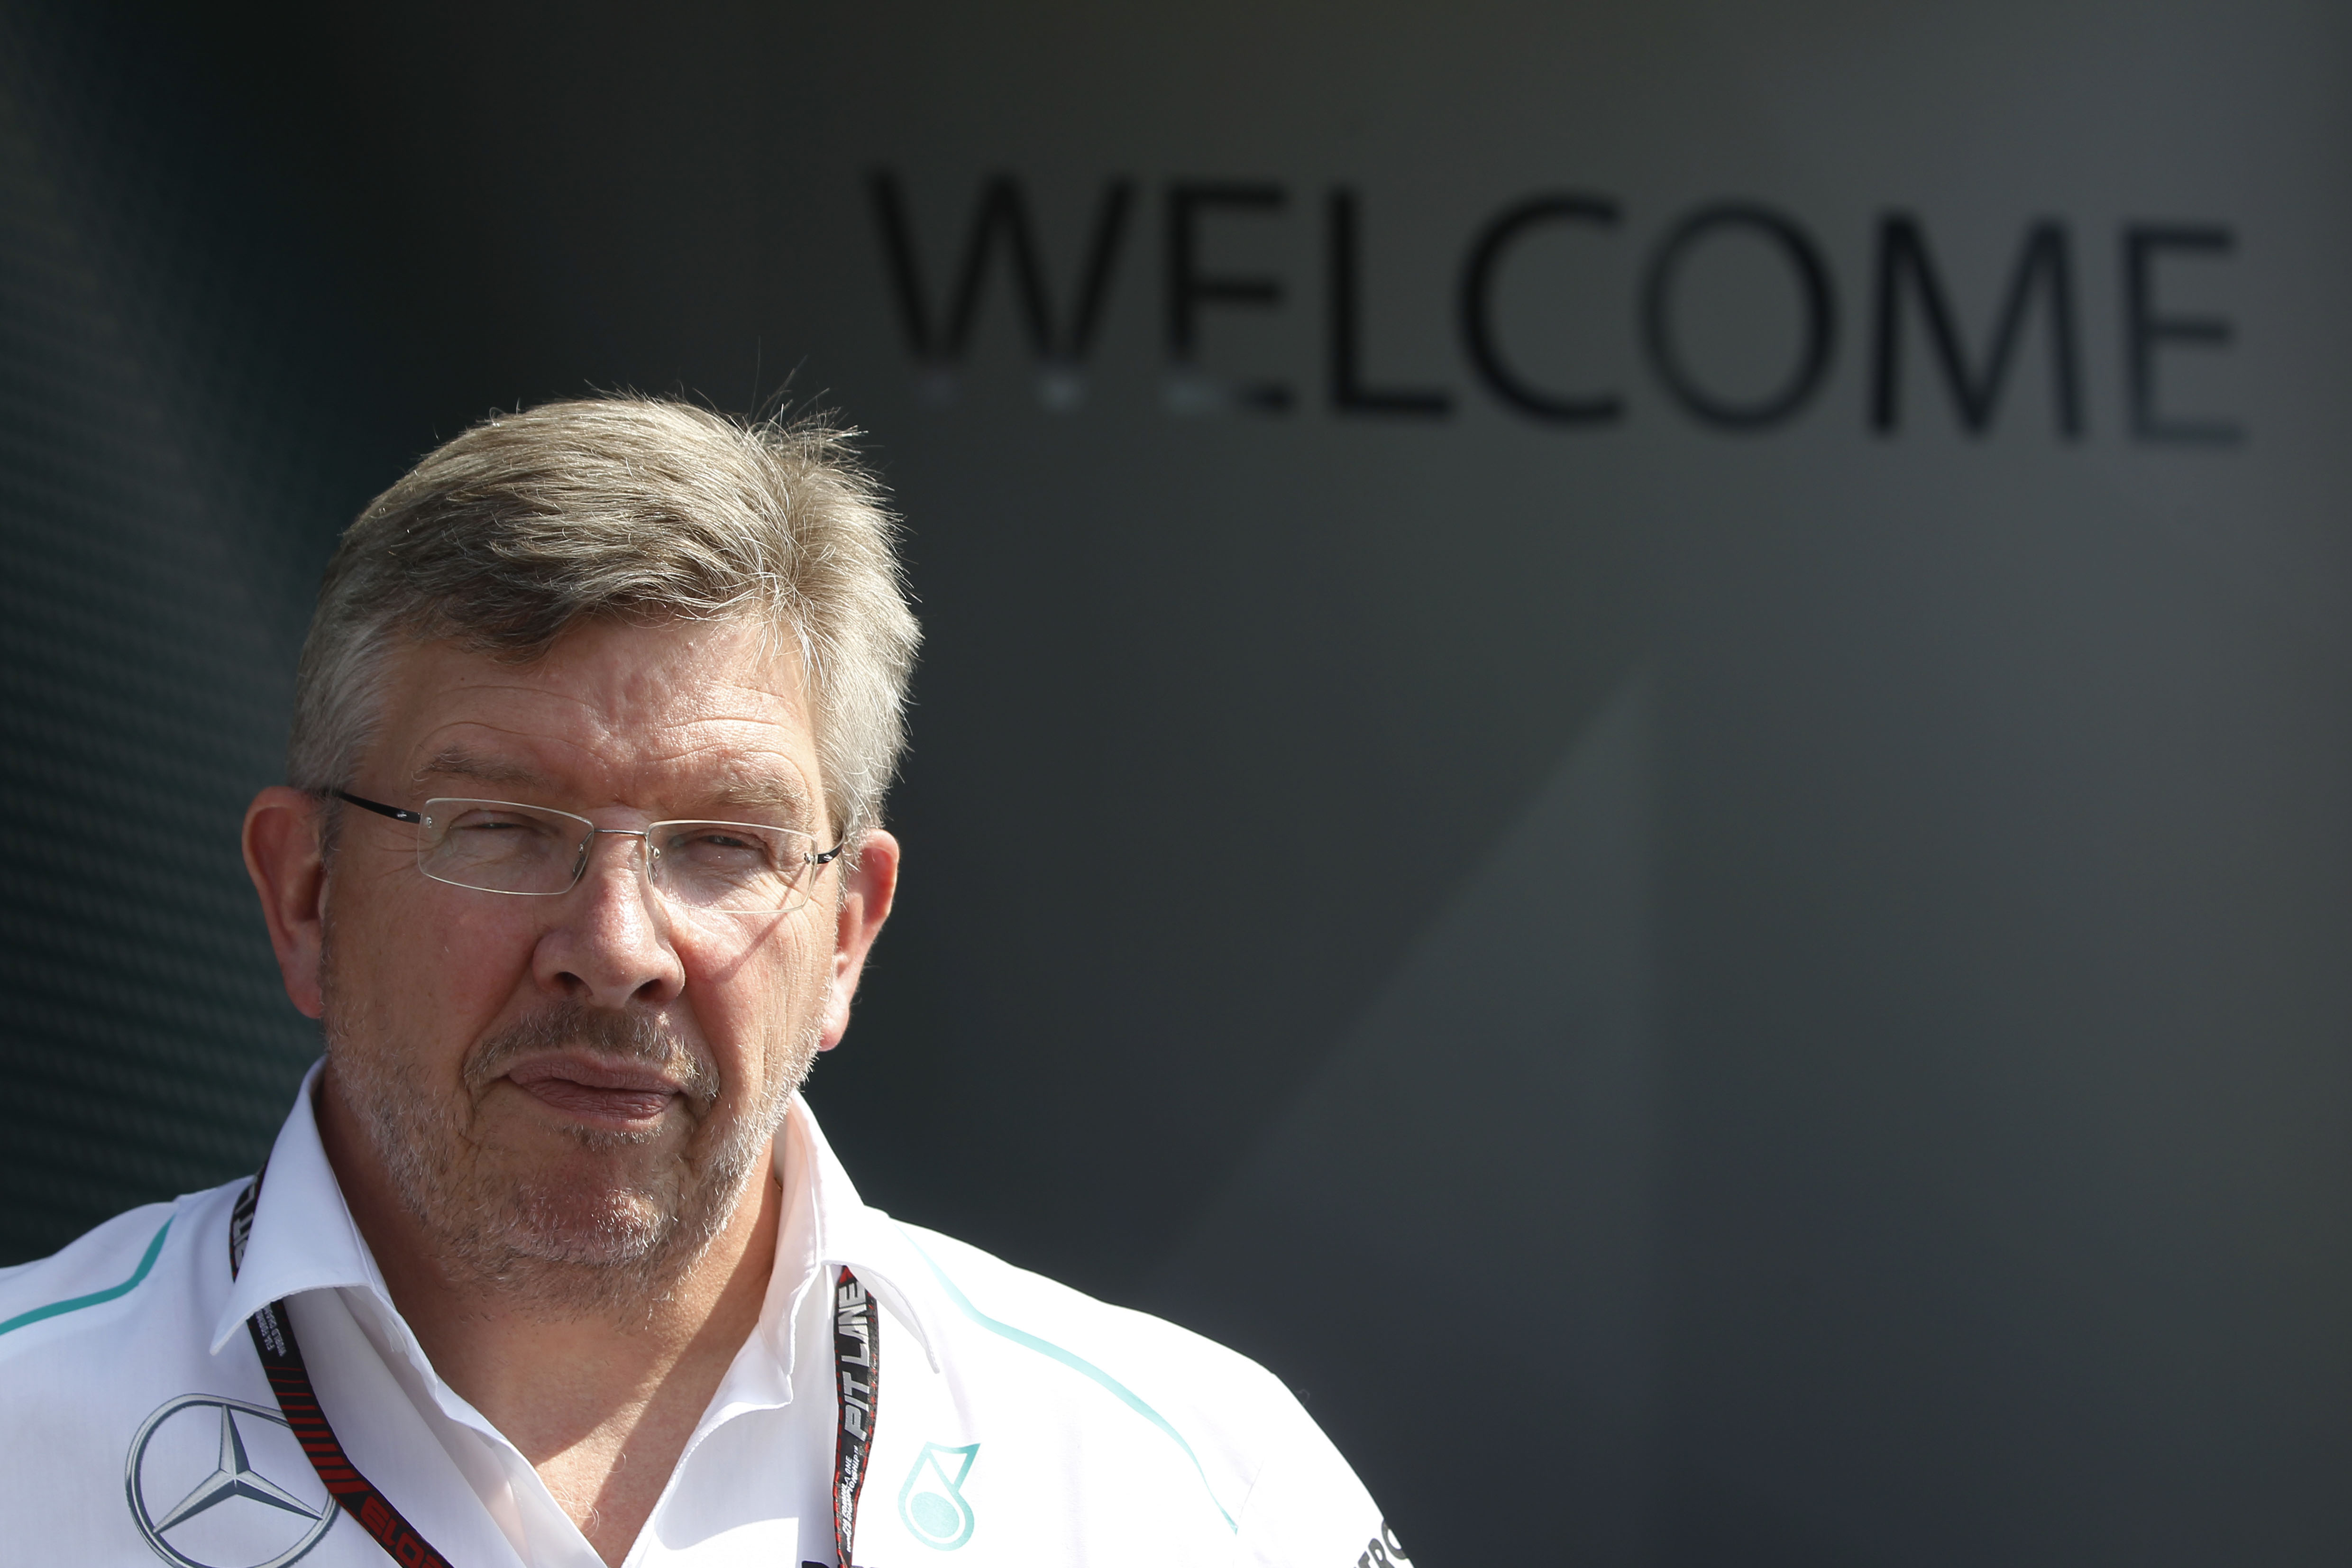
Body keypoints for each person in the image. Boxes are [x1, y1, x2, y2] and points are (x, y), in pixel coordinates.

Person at [0, 397, 1405, 1568]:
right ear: (307, 894)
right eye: (500, 825)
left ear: (845, 934)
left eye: (725, 844)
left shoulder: (1200, 1497)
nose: (616, 946)